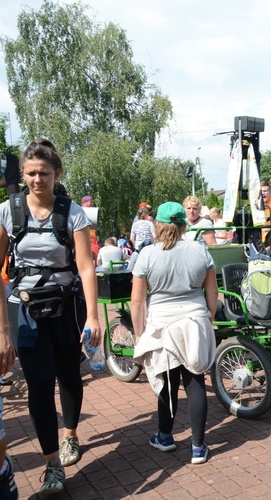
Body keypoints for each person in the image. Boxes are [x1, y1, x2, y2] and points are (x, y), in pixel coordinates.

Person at [0, 139, 100, 495]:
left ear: (57, 174)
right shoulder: (7, 211)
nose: (37, 179)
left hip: (65, 306)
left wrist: (94, 317)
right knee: (39, 385)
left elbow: (86, 268)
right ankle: (51, 464)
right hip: (24, 309)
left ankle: (70, 435)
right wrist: (1, 328)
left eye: (44, 173)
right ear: (23, 174)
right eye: (30, 173)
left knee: (69, 374)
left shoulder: (71, 212)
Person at [131, 202, 217, 465]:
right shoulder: (199, 250)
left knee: (167, 384)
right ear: (183, 225)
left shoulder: (147, 254)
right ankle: (198, 447)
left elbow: (137, 301)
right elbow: (212, 292)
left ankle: (165, 437)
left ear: (157, 224)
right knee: (195, 381)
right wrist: (209, 315)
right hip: (194, 319)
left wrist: (139, 334)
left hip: (162, 323)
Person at [81, 195, 100, 261]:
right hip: (86, 236)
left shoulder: (91, 212)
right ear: (85, 203)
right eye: (90, 202)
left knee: (95, 254)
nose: (92, 204)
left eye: (92, 202)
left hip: (92, 236)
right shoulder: (82, 211)